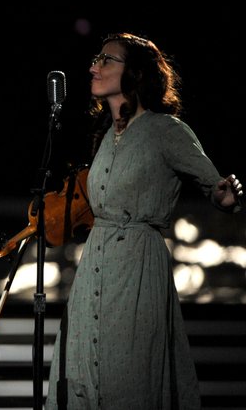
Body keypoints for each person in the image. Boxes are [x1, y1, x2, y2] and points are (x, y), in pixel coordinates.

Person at [45, 32, 242, 409]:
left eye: (106, 60)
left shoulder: (167, 131)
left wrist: (226, 195)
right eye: (96, 58)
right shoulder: (105, 136)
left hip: (136, 268)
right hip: (94, 272)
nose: (93, 67)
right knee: (83, 371)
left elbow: (214, 187)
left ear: (135, 74)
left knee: (131, 376)